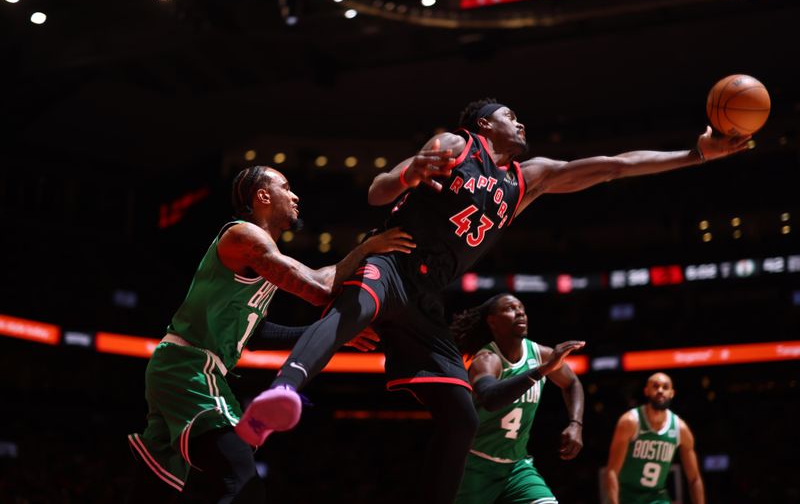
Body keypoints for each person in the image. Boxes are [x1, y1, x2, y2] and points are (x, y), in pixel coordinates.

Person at [238, 98, 749, 503]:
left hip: (425, 299)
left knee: (461, 414)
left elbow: (614, 166)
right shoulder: (453, 145)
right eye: (509, 115)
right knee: (358, 307)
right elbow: (377, 190)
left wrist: (696, 154)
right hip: (392, 259)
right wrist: (411, 171)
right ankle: (279, 396)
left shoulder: (526, 181)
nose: (520, 122)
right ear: (483, 125)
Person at [127, 165, 414, 503]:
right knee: (243, 480)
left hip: (186, 369)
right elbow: (321, 289)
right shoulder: (244, 237)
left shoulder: (264, 259)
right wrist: (367, 248)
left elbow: (258, 331)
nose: (295, 196)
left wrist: (322, 332)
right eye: (286, 187)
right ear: (263, 196)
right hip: (190, 367)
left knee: (169, 487)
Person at [451, 293, 584, 504]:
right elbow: (490, 399)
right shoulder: (486, 360)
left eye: (521, 307)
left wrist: (575, 423)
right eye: (510, 308)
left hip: (516, 467)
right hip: (474, 465)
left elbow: (572, 384)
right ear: (492, 321)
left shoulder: (539, 354)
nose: (520, 312)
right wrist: (543, 370)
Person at [605, 373, 705, 504]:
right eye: (655, 386)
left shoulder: (680, 429)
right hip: (626, 496)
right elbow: (612, 471)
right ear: (646, 391)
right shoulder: (630, 422)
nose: (660, 390)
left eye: (665, 387)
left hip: (657, 497)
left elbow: (694, 478)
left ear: (672, 393)